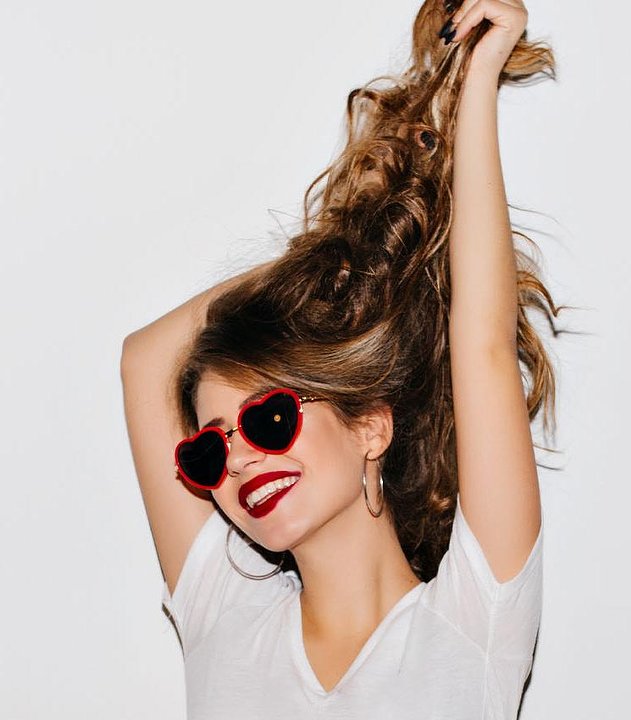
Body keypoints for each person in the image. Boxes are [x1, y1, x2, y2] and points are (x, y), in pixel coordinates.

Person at [120, 1, 562, 716]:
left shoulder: (473, 626)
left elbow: (480, 344)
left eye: (266, 419)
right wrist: (346, 241)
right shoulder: (224, 621)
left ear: (370, 427)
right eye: (206, 452)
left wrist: (474, 87)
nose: (232, 464)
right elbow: (146, 361)